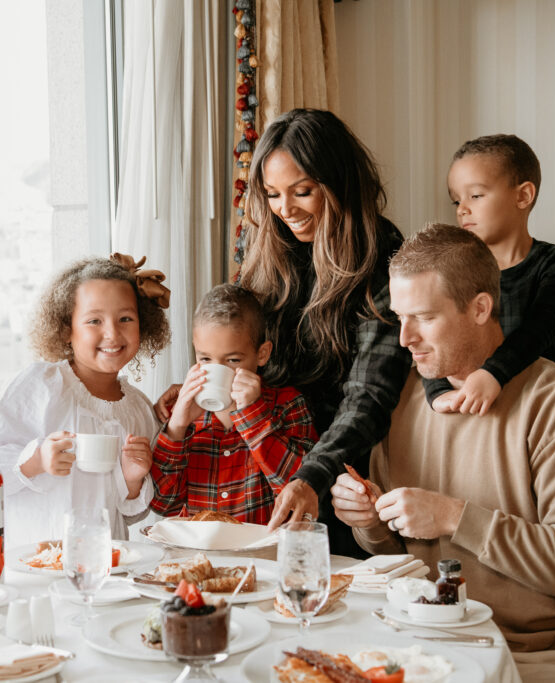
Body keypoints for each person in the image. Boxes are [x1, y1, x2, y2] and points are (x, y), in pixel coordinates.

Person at [332, 224, 555, 682]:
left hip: (550, 654)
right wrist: (371, 523)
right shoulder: (403, 404)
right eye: (400, 318)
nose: (404, 338)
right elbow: (401, 553)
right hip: (433, 646)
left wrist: (456, 517)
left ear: (479, 308)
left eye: (425, 318)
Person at [158, 108, 414, 556]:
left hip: (340, 469)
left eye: (302, 192)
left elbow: (368, 397)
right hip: (266, 464)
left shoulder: (385, 262)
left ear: (340, 184)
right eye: (273, 194)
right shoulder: (273, 248)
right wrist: (208, 378)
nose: (286, 210)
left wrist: (311, 476)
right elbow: (241, 338)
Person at [0, 254, 171, 546]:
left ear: (142, 326)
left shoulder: (139, 409)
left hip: (105, 572)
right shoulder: (40, 386)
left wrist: (132, 481)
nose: (112, 333)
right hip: (36, 570)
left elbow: (129, 513)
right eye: (94, 320)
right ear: (67, 329)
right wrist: (36, 461)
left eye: (125, 319)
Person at [424, 134, 555, 416]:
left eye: (476, 195)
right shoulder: (454, 268)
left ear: (522, 196)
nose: (462, 209)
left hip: (545, 396)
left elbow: (538, 331)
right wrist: (438, 392)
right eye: (456, 201)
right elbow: (432, 338)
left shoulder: (554, 263)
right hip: (480, 399)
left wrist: (492, 374)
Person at [150, 284, 317, 524]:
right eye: (205, 358)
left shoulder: (288, 405)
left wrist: (254, 417)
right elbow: (162, 503)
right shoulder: (185, 414)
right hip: (202, 555)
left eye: (233, 360)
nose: (217, 369)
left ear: (262, 354)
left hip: (266, 556)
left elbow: (301, 489)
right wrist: (177, 426)